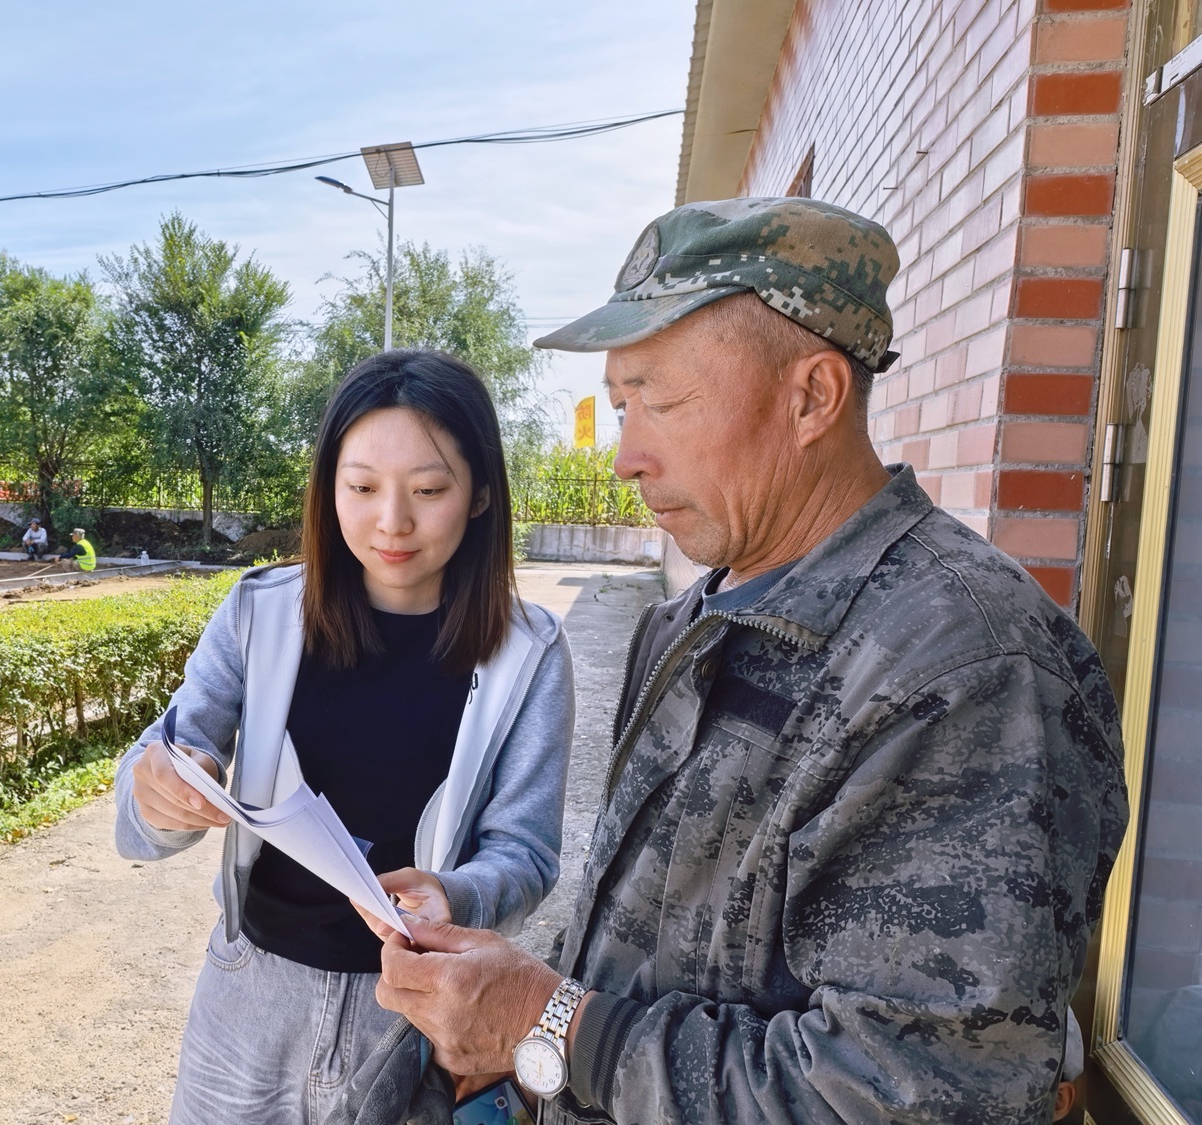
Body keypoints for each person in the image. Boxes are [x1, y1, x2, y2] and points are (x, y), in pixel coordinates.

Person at [357, 199, 1130, 1124]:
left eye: (665, 401)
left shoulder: (963, 670)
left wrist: (550, 1022)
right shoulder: (692, 616)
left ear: (811, 396)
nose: (626, 457)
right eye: (619, 406)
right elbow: (649, 942)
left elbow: (908, 1097)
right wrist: (512, 1026)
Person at [114, 350, 576, 1125]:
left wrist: (456, 893)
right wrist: (161, 788)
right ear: (329, 490)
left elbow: (525, 852)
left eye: (428, 490)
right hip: (246, 1002)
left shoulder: (527, 653)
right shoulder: (261, 613)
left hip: (411, 1016)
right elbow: (157, 775)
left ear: (482, 493)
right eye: (360, 487)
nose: (391, 521)